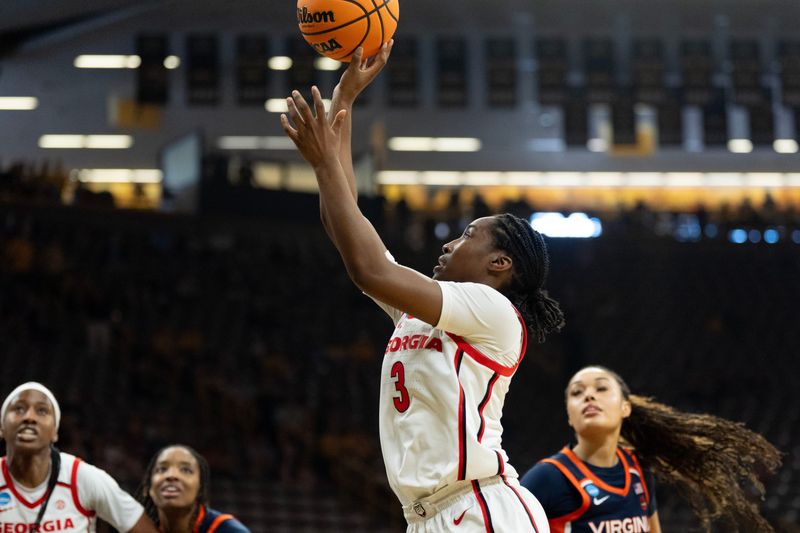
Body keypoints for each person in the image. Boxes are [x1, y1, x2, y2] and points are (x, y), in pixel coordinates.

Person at [280, 43, 565, 532]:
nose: (450, 242)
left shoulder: (494, 311)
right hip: (429, 516)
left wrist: (326, 162)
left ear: (500, 262)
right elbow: (345, 225)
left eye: (467, 235)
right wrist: (344, 96)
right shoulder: (419, 313)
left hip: (481, 510)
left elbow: (368, 268)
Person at [521, 366, 781, 533]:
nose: (589, 396)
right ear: (569, 414)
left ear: (626, 407)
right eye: (577, 393)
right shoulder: (547, 477)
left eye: (601, 388)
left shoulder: (636, 468)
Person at [0, 381, 158, 533]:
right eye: (19, 409)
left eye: (42, 411)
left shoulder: (81, 477)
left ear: (55, 432)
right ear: (2, 428)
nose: (29, 417)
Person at [138, 445, 249, 533]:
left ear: (200, 488)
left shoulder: (227, 529)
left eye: (186, 470)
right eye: (162, 469)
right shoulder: (135, 527)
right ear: (148, 488)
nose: (172, 475)